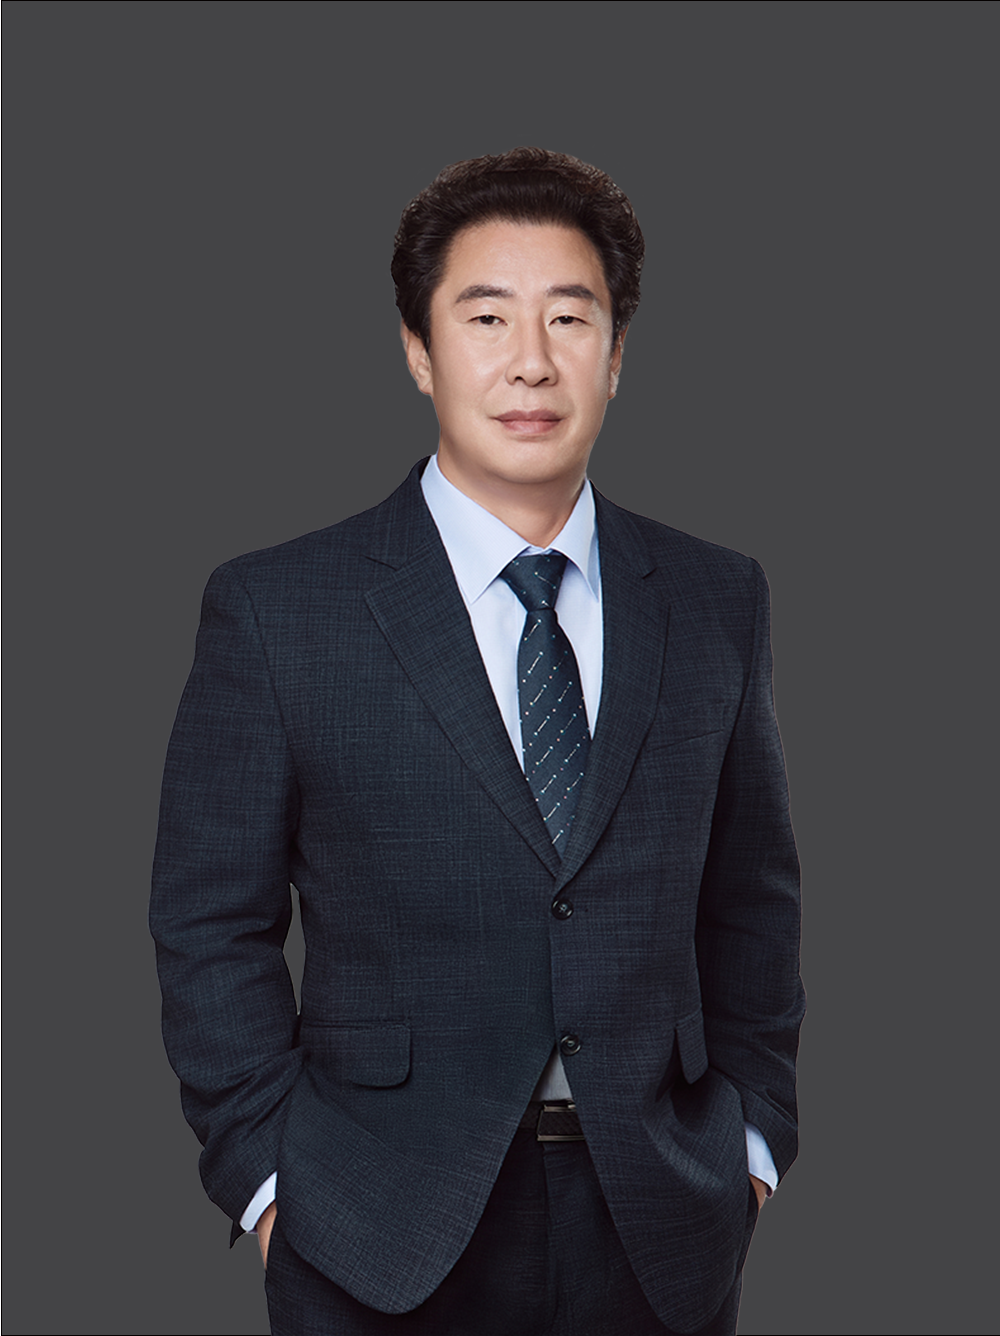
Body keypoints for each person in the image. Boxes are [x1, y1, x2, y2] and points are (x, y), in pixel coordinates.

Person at [151, 147, 804, 1336]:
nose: (531, 361)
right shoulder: (279, 608)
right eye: (487, 316)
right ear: (418, 349)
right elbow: (208, 923)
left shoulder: (716, 599)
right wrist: (268, 1184)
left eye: (570, 316)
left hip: (659, 1224)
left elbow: (752, 899)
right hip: (371, 1224)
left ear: (617, 352)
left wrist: (750, 1147)